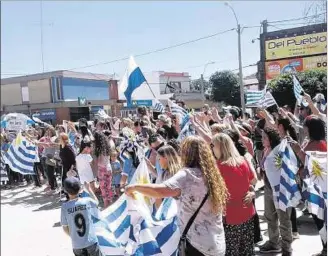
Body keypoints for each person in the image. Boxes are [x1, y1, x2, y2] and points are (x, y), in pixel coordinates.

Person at [125, 136, 228, 256]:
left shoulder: (187, 175)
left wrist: (134, 187)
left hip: (197, 245)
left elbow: (161, 191)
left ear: (186, 154)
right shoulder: (213, 175)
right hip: (217, 242)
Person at [212, 133, 256, 256]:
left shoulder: (218, 167)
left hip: (230, 216)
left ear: (220, 147)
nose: (212, 148)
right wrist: (252, 192)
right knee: (247, 250)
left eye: (213, 145)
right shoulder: (242, 161)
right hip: (247, 212)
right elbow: (253, 181)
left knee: (232, 251)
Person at [290, 115, 327, 256]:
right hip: (310, 187)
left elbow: (314, 166)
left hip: (318, 190)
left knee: (320, 218)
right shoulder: (311, 142)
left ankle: (326, 248)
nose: (304, 128)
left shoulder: (319, 145)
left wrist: (298, 150)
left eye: (305, 125)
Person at [259, 128, 293, 256]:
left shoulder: (280, 150)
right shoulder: (265, 150)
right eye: (262, 137)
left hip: (281, 190)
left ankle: (287, 248)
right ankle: (274, 243)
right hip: (268, 188)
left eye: (264, 138)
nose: (262, 140)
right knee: (270, 216)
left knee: (283, 219)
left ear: (271, 139)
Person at [61, 177, 103, 256]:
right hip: (91, 241)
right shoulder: (87, 201)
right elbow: (96, 202)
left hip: (77, 245)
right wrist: (89, 189)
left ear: (65, 191)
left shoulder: (64, 207)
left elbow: (65, 228)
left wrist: (74, 236)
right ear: (80, 189)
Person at [93, 131, 112, 208]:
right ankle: (110, 204)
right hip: (109, 167)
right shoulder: (107, 146)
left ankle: (106, 206)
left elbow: (98, 161)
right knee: (109, 188)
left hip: (102, 169)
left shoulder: (98, 148)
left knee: (103, 189)